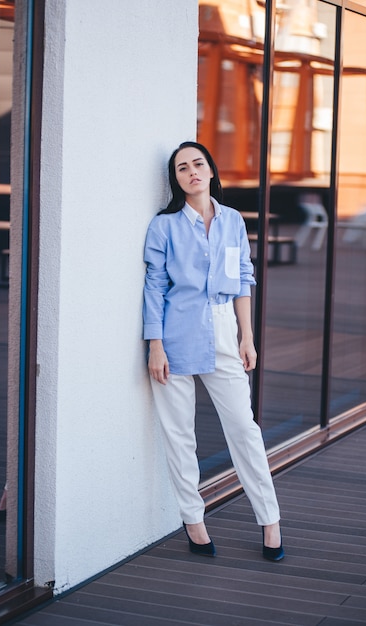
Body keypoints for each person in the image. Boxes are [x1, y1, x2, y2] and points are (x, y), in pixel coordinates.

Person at [143, 141, 284, 561]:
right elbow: (154, 286)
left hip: (224, 333)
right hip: (174, 336)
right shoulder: (164, 226)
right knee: (179, 436)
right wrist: (155, 346)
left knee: (245, 429)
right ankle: (194, 521)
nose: (191, 172)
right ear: (177, 180)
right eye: (182, 168)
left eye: (197, 164)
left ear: (209, 170)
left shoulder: (233, 221)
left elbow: (242, 278)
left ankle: (270, 521)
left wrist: (247, 337)